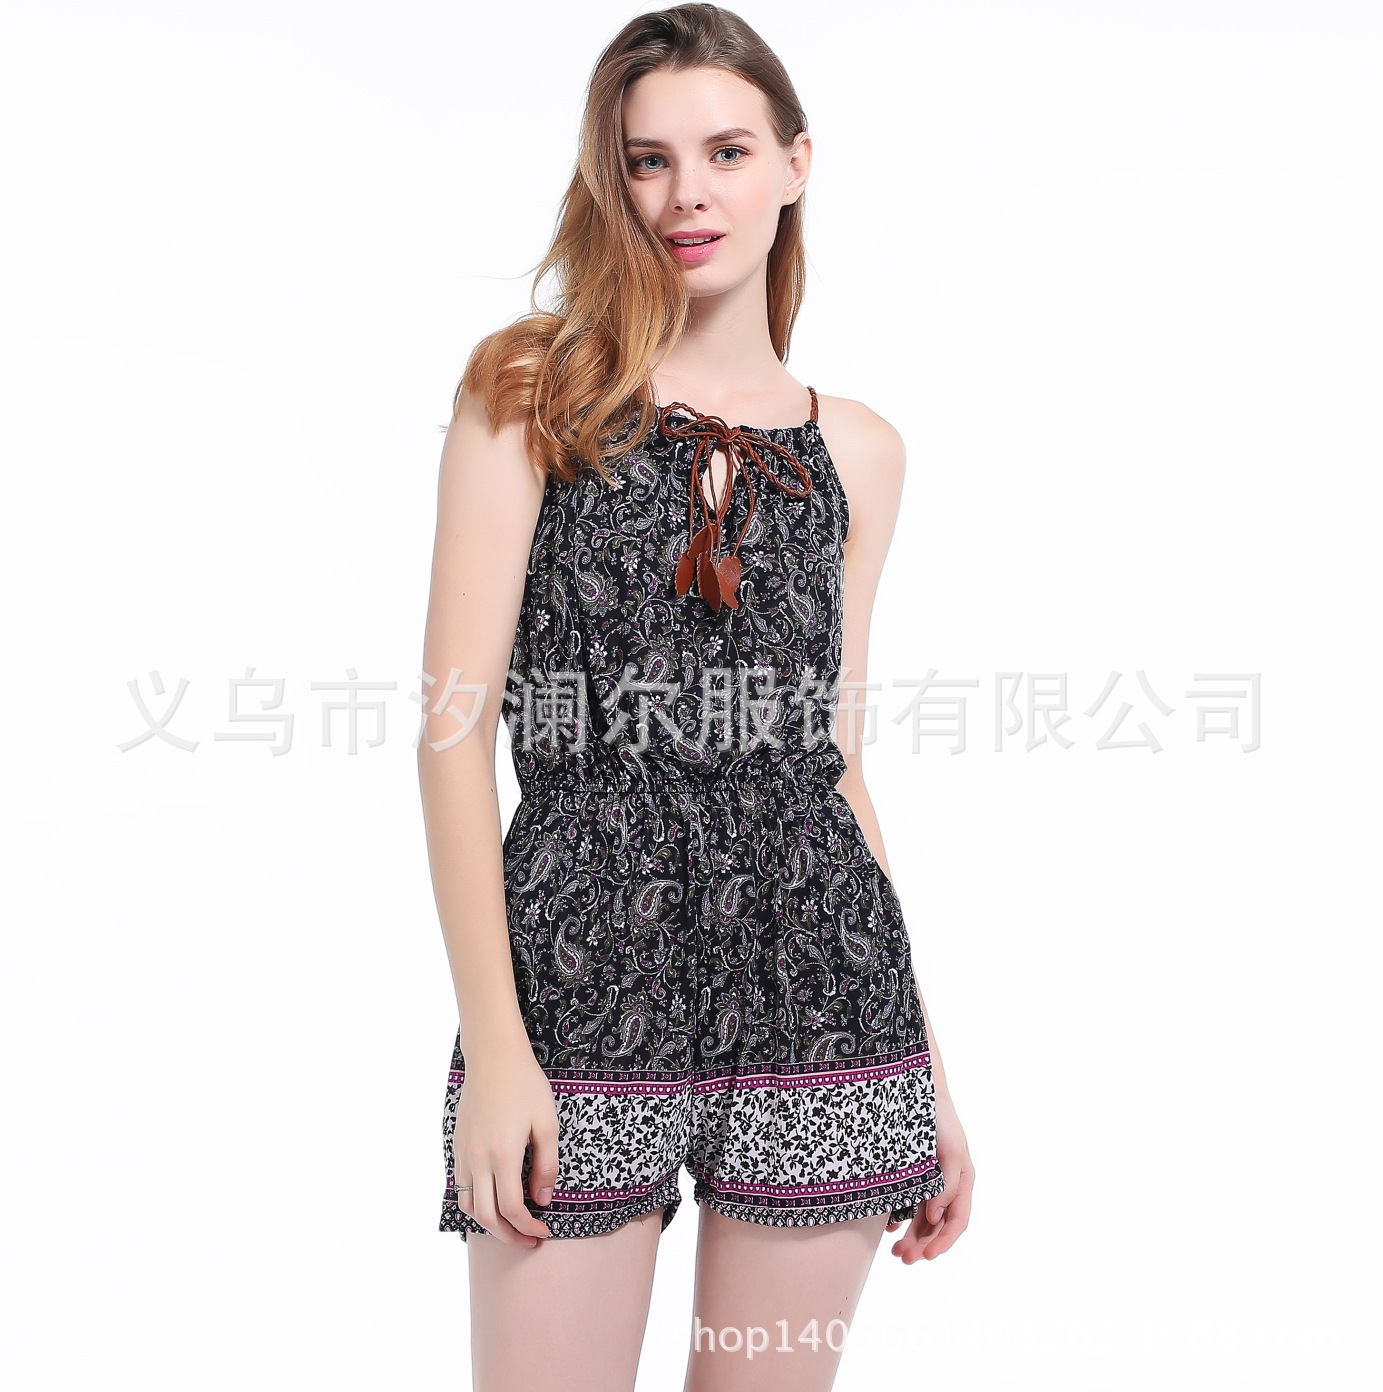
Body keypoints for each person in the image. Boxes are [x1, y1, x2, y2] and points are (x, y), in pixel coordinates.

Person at [416, 5, 974, 1388]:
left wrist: (925, 1070)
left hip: (823, 987)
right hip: (579, 965)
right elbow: (452, 737)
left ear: (794, 163)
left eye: (726, 151)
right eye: (648, 160)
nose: (688, 195)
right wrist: (497, 1049)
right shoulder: (532, 395)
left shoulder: (861, 452)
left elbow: (833, 772)